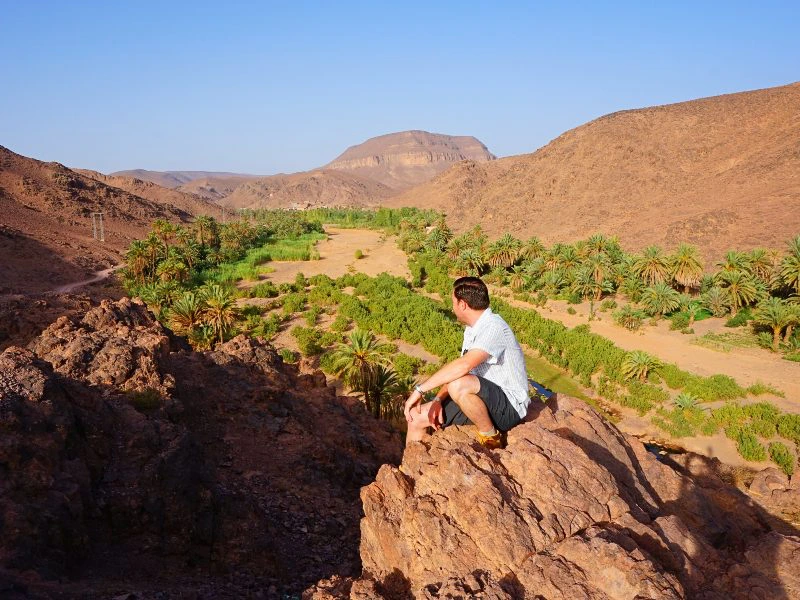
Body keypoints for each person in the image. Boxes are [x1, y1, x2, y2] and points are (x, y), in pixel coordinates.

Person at [404, 276, 530, 449]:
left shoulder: (494, 328)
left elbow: (464, 366)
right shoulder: (472, 329)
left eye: (453, 302)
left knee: (458, 385)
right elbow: (459, 372)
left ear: (462, 304)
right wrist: (438, 400)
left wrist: (419, 390)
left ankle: (491, 439)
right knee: (415, 417)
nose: (452, 307)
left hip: (509, 408)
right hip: (478, 398)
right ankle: (411, 470)